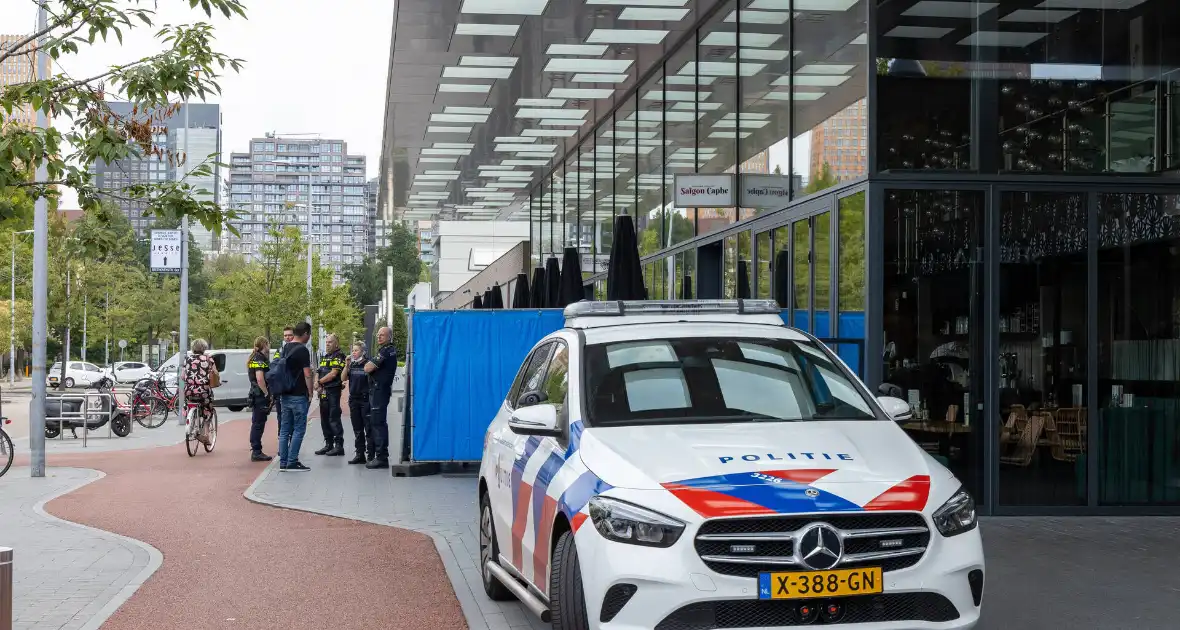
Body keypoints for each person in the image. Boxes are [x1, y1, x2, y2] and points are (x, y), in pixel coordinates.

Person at [277, 322, 314, 472]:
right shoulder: (303, 350)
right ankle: (292, 461)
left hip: (285, 394)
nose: (309, 337)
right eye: (309, 334)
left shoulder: (285, 347)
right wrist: (311, 392)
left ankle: (283, 462)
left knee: (285, 429)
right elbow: (307, 374)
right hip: (299, 395)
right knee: (299, 429)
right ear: (305, 334)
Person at [364, 326, 398, 469]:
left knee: (378, 423)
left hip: (380, 390)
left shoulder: (387, 351)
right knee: (376, 422)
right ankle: (377, 455)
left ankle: (382, 457)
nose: (379, 337)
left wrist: (369, 364)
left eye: (382, 335)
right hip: (378, 390)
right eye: (378, 335)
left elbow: (368, 368)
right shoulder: (385, 350)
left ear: (389, 337)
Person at [314, 333, 347, 456]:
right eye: (326, 342)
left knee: (334, 418)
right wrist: (317, 383)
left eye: (330, 342)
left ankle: (339, 446)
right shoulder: (326, 356)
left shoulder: (339, 356)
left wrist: (319, 382)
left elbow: (333, 374)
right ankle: (328, 444)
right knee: (324, 419)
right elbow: (319, 371)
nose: (327, 344)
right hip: (323, 392)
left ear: (336, 343)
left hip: (333, 391)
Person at [183, 338, 219, 446]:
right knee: (208, 410)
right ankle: (206, 435)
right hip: (203, 390)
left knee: (189, 404)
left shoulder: (187, 359)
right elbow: (215, 373)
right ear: (204, 348)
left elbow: (182, 376)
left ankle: (192, 421)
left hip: (189, 390)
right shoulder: (208, 359)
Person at [344, 341, 373, 465]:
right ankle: (359, 454)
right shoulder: (352, 365)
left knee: (368, 427)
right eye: (353, 350)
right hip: (354, 399)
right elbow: (343, 378)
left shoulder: (368, 364)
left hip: (365, 399)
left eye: (356, 350)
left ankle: (371, 454)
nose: (353, 353)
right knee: (357, 428)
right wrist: (346, 365)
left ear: (363, 352)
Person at [247, 336, 272, 462]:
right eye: (268, 344)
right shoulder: (260, 359)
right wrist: (267, 393)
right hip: (260, 395)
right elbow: (260, 378)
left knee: (257, 422)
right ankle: (256, 451)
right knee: (258, 423)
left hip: (255, 393)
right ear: (265, 345)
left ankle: (256, 449)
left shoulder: (254, 357)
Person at [271, 326, 294, 421]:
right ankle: (281, 435)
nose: (287, 337)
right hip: (281, 388)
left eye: (290, 335)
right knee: (280, 415)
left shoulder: (298, 348)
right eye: (285, 335)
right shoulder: (279, 350)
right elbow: (275, 363)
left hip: (293, 387)